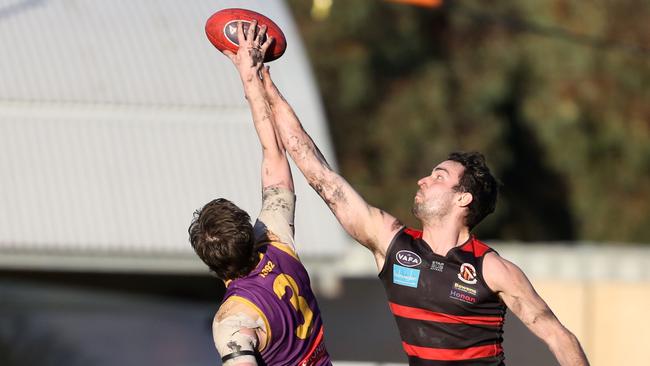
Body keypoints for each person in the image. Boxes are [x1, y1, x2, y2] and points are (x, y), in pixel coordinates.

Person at [236, 25, 589, 366]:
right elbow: (320, 175)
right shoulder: (392, 244)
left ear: (463, 199)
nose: (422, 180)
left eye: (438, 176)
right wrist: (263, 82)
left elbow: (558, 336)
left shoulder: (491, 269)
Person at [188, 21, 331, 366]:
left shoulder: (233, 321)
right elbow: (274, 152)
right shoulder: (277, 240)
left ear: (209, 263)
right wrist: (249, 73)